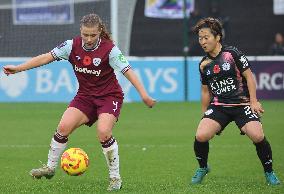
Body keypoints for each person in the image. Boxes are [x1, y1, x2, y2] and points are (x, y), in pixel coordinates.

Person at [3, 13, 156, 191]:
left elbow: (128, 71)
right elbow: (46, 57)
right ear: (80, 31)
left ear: (100, 32)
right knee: (63, 128)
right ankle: (50, 168)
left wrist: (144, 94)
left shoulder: (110, 50)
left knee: (104, 132)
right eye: (85, 34)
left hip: (109, 97)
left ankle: (115, 178)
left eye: (93, 35)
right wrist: (19, 68)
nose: (89, 39)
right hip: (85, 96)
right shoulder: (71, 46)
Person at [190, 17, 280, 185]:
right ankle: (203, 167)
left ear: (217, 37)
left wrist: (253, 101)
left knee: (257, 135)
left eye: (206, 37)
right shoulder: (203, 64)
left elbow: (249, 77)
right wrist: (205, 115)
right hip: (219, 107)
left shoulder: (232, 54)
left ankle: (269, 172)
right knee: (201, 135)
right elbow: (205, 90)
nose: (202, 42)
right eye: (200, 38)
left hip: (242, 104)